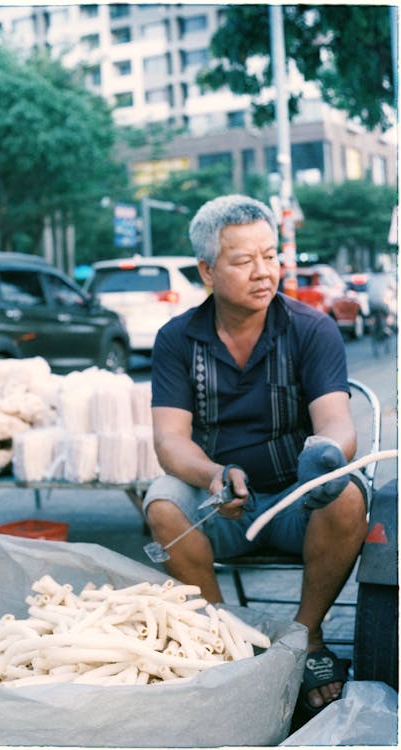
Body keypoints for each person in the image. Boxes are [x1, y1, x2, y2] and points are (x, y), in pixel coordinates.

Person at [143, 194, 368, 716]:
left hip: (297, 502)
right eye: (243, 261)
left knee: (349, 495)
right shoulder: (177, 339)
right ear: (207, 270)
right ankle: (226, 640)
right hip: (220, 502)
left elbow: (336, 417)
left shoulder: (311, 329)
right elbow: (169, 440)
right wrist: (212, 473)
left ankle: (306, 639)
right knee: (161, 504)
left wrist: (327, 452)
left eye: (270, 256)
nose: (264, 272)